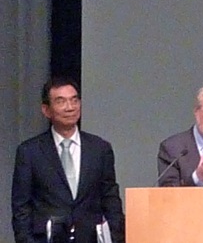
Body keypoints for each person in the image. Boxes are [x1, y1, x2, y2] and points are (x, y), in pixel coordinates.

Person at [11, 76, 125, 243]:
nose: (70, 107)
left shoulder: (100, 148)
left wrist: (116, 238)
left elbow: (110, 199)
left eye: (74, 100)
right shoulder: (29, 152)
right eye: (61, 101)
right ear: (46, 110)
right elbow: (21, 208)